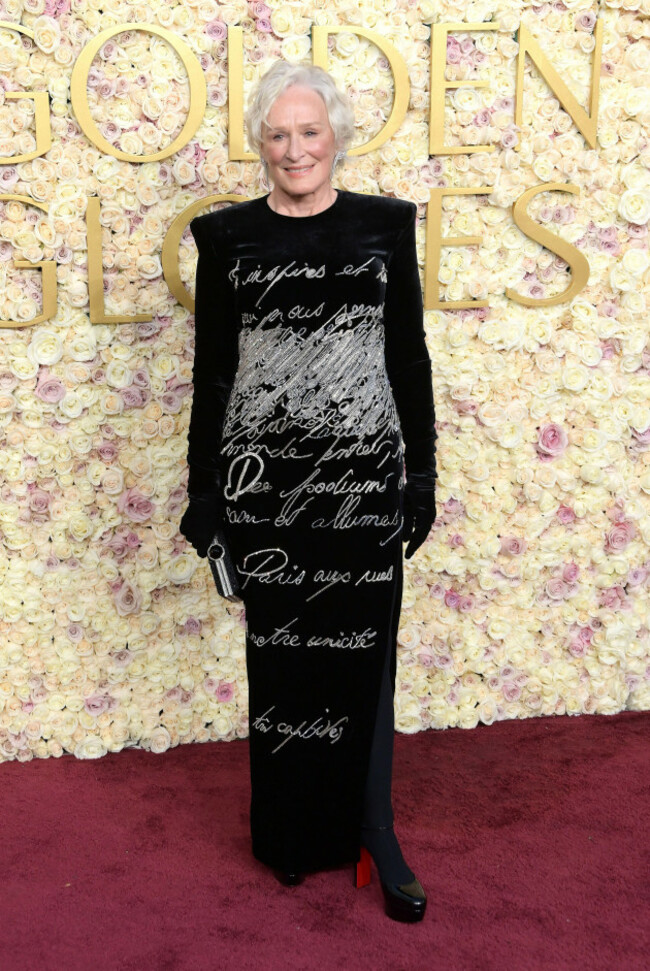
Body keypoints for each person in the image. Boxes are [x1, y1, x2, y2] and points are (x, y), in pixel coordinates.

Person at [180, 60, 436, 923]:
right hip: (268, 489)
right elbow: (212, 375)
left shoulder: (385, 228)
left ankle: (375, 827)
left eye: (310, 131)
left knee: (366, 657)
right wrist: (206, 496)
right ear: (261, 144)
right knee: (284, 659)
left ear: (337, 137)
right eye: (278, 134)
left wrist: (422, 475)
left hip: (362, 484)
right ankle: (291, 833)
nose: (295, 149)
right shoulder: (226, 240)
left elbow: (408, 358)